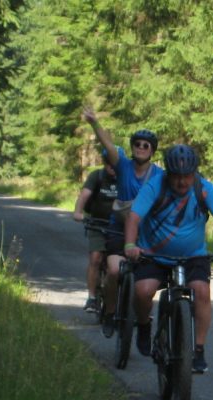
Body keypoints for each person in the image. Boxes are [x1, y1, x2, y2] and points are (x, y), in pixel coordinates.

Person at [123, 144, 213, 374]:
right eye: (177, 176)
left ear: (194, 173)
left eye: (187, 176)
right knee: (143, 291)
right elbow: (134, 217)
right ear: (168, 174)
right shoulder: (155, 186)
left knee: (202, 292)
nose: (182, 182)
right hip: (153, 254)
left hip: (193, 256)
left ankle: (198, 349)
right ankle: (144, 324)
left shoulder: (203, 188)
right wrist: (130, 245)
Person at [82, 106, 163, 337]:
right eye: (137, 144)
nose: (141, 148)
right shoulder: (123, 165)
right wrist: (94, 123)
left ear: (152, 150)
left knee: (146, 281)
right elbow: (108, 144)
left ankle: (143, 318)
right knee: (114, 271)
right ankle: (109, 312)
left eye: (146, 145)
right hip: (118, 228)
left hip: (146, 233)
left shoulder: (159, 175)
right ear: (132, 147)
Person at [72, 159, 118, 314]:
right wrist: (78, 212)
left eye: (115, 163)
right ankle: (92, 297)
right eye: (109, 163)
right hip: (97, 224)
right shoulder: (97, 176)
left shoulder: (126, 178)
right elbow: (84, 194)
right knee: (96, 258)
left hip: (120, 226)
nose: (112, 166)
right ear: (104, 163)